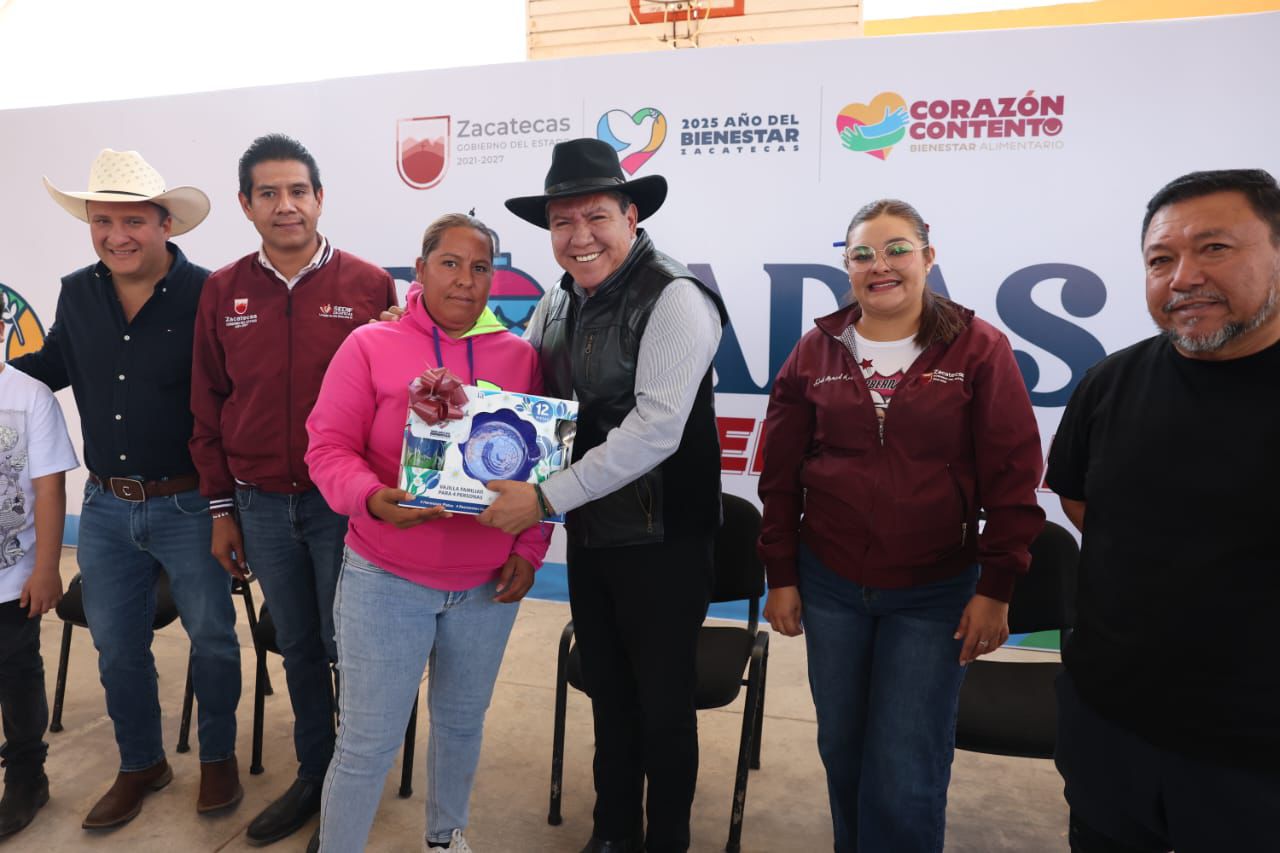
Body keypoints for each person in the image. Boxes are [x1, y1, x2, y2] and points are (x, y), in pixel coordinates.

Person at [757, 199, 1045, 853]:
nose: (879, 265)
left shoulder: (978, 347)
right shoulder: (816, 349)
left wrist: (997, 585)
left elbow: (1013, 476)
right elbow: (779, 474)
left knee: (905, 764)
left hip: (933, 589)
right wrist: (782, 573)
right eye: (861, 254)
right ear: (847, 267)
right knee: (843, 747)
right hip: (830, 583)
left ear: (928, 257)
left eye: (896, 250)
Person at [482, 138, 728, 853]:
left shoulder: (675, 297)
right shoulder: (559, 297)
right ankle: (613, 830)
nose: (579, 236)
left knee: (663, 708)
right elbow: (521, 381)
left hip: (664, 541)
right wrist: (431, 354)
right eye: (562, 222)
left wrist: (544, 500)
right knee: (609, 695)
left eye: (596, 217)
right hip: (592, 534)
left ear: (630, 216)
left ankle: (667, 839)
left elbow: (655, 431)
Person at [1046, 169, 1280, 853]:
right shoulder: (1110, 382)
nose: (1183, 278)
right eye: (1160, 259)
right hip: (1110, 730)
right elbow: (1082, 504)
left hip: (1256, 758)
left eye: (1214, 248)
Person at [304, 213, 550, 852]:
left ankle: (445, 839)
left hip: (485, 586)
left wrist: (529, 549)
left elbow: (542, 468)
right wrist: (370, 498)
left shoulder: (520, 357)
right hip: (385, 579)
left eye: (480, 267)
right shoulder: (369, 345)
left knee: (462, 727)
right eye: (450, 263)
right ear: (420, 271)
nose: (465, 280)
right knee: (367, 742)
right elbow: (327, 448)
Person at [13, 149, 242, 827]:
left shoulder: (209, 293)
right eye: (102, 221)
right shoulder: (77, 292)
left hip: (192, 503)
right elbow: (51, 366)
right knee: (115, 649)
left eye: (133, 220)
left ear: (166, 223)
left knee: (214, 638)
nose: (117, 235)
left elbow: (237, 392)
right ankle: (142, 762)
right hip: (106, 508)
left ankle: (219, 757)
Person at [188, 133, 397, 846]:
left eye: (298, 191)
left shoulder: (369, 285)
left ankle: (353, 780)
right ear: (246, 204)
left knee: (352, 645)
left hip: (344, 505)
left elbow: (396, 400)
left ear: (320, 198)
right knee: (300, 644)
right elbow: (208, 405)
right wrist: (222, 508)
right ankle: (315, 772)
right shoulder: (223, 291)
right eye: (269, 193)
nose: (286, 205)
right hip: (259, 503)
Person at [0, 362, 79, 839]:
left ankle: (27, 775)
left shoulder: (30, 396)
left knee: (16, 673)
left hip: (11, 576)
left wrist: (47, 568)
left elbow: (49, 488)